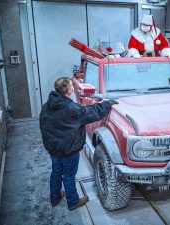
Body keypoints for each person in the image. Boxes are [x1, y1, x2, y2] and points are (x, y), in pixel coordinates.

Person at [39, 77, 118, 210]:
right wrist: (107, 104)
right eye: (71, 86)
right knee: (69, 175)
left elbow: (43, 125)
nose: (73, 88)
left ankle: (55, 197)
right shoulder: (72, 108)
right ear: (68, 90)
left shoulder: (47, 106)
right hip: (68, 150)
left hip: (54, 148)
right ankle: (73, 201)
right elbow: (92, 112)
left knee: (56, 172)